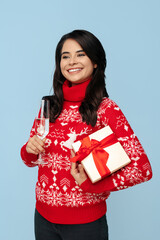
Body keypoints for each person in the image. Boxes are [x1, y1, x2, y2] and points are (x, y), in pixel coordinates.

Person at [20, 30, 152, 240]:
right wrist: (28, 150)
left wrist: (93, 185)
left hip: (85, 225)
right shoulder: (49, 106)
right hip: (43, 218)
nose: (72, 61)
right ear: (59, 63)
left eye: (81, 54)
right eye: (65, 56)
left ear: (96, 62)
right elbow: (32, 159)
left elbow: (142, 169)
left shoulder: (106, 109)